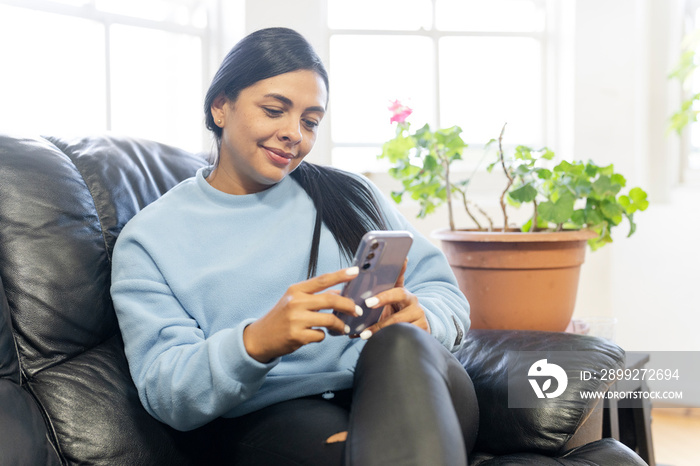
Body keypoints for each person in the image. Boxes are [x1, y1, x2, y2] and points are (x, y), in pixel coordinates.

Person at [111, 27, 479, 465]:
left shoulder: (351, 195)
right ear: (220, 107)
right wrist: (254, 343)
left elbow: (444, 293)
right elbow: (166, 391)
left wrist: (424, 320)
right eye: (273, 110)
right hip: (281, 419)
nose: (294, 134)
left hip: (420, 383)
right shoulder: (149, 240)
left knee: (398, 346)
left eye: (310, 121)